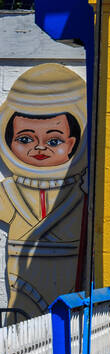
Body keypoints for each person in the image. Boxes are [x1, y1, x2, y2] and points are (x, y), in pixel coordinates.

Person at [0, 63, 88, 316]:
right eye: (25, 139)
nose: (39, 148)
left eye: (54, 141)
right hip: (21, 295)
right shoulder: (9, 193)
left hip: (71, 292)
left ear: (74, 143)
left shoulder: (80, 193)